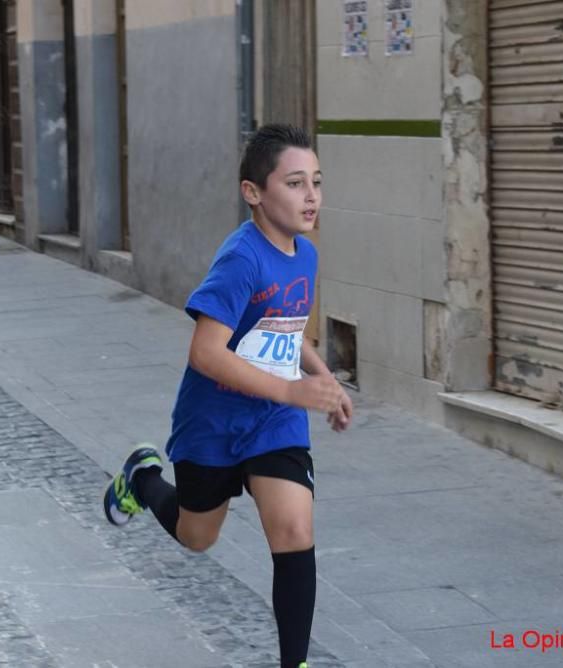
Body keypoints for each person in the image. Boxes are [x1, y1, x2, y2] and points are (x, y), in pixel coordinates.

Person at [102, 124, 353, 668]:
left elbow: (285, 326)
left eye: (316, 181)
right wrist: (295, 388)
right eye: (294, 183)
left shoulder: (304, 255)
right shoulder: (241, 258)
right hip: (213, 423)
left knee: (294, 528)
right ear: (253, 193)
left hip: (273, 423)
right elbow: (206, 352)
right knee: (197, 536)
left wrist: (320, 376)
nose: (310, 196)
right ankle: (142, 479)